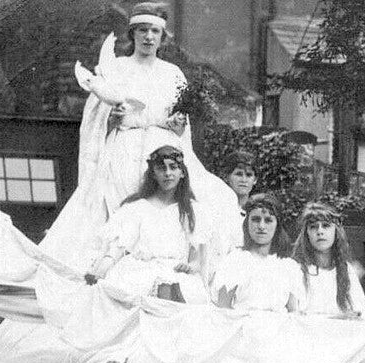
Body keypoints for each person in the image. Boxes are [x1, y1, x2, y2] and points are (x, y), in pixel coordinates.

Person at [42, 2, 234, 271]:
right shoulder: (116, 68)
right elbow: (95, 119)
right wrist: (112, 118)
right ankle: (113, 267)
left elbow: (183, 125)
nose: (148, 37)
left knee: (207, 201)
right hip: (125, 146)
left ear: (162, 36)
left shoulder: (172, 73)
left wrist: (178, 125)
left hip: (163, 148)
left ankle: (168, 266)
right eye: (142, 30)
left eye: (155, 31)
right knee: (119, 205)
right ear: (132, 34)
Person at [85, 145, 211, 304]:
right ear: (153, 173)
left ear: (182, 173)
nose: (168, 173)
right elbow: (118, 248)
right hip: (139, 271)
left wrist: (189, 267)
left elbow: (197, 260)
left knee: (176, 294)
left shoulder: (192, 211)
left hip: (175, 271)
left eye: (173, 167)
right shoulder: (136, 208)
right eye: (161, 168)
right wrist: (100, 271)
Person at [212, 194, 301, 312]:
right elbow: (223, 309)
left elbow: (293, 313)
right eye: (256, 219)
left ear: (277, 225)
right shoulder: (235, 260)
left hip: (278, 328)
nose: (261, 226)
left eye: (268, 220)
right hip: (243, 327)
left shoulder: (288, 266)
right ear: (247, 223)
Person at [290, 202, 365, 315]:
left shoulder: (347, 270)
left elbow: (360, 312)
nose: (320, 231)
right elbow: (294, 316)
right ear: (306, 234)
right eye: (313, 227)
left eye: (326, 226)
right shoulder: (296, 270)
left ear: (336, 231)